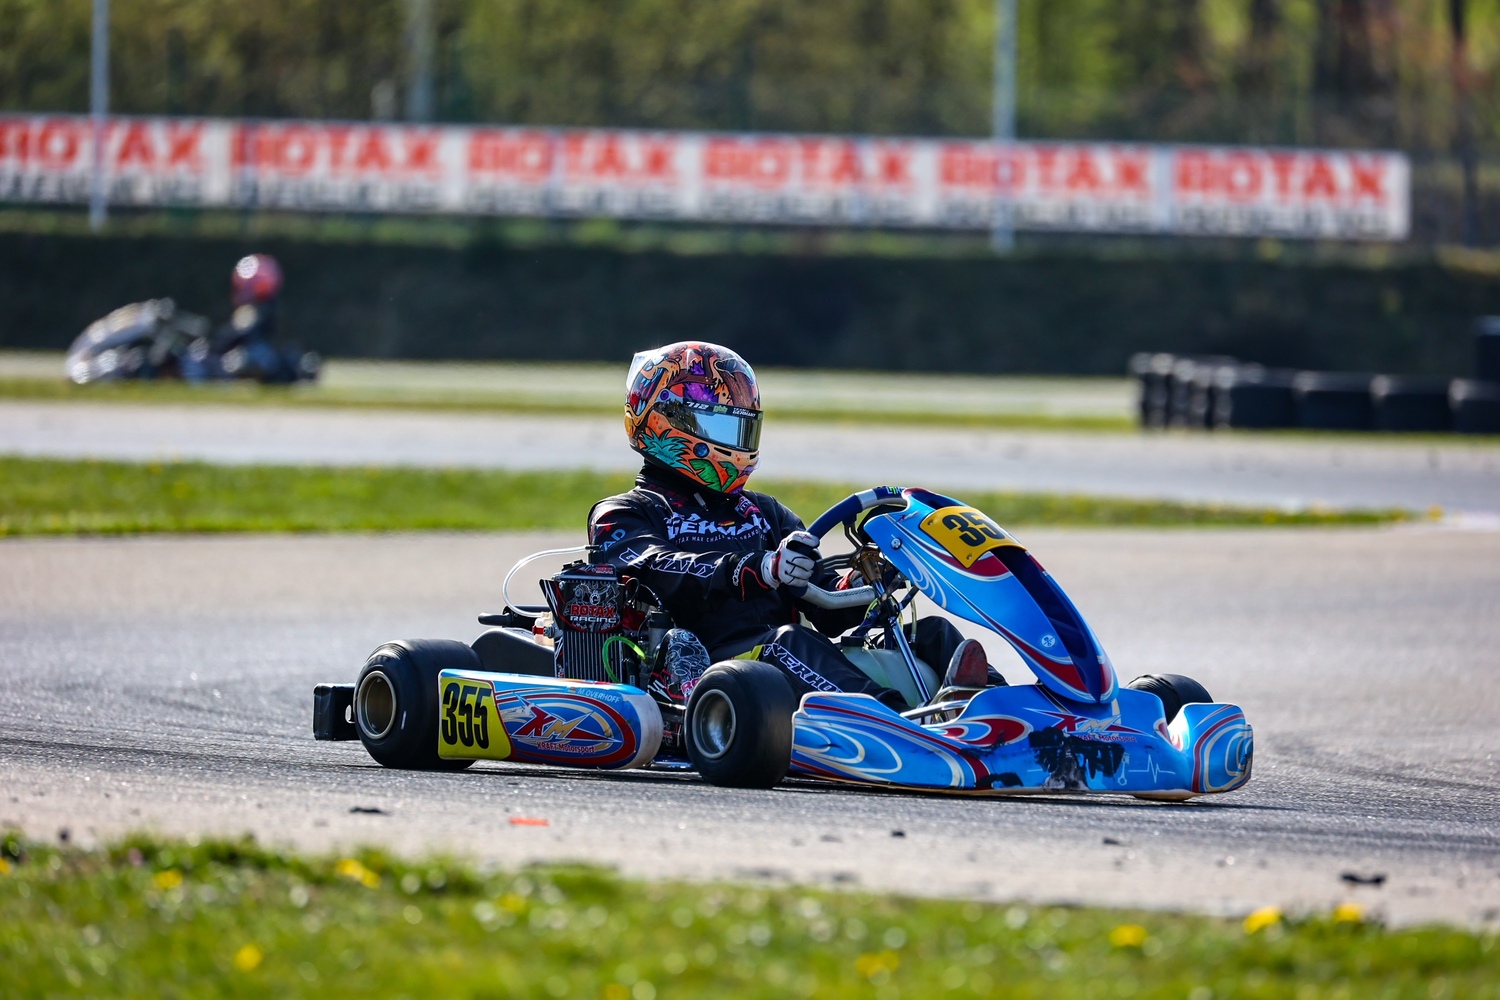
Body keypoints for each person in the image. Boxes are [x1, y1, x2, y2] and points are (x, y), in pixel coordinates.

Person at [587, 341, 1002, 710]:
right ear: (667, 423)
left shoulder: (766, 513)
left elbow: (829, 613)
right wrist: (758, 568)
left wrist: (862, 581)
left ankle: (1004, 711)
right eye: (723, 427)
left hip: (794, 660)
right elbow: (657, 566)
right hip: (710, 671)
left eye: (744, 428)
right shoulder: (625, 513)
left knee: (928, 634)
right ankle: (898, 724)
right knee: (789, 642)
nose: (736, 444)